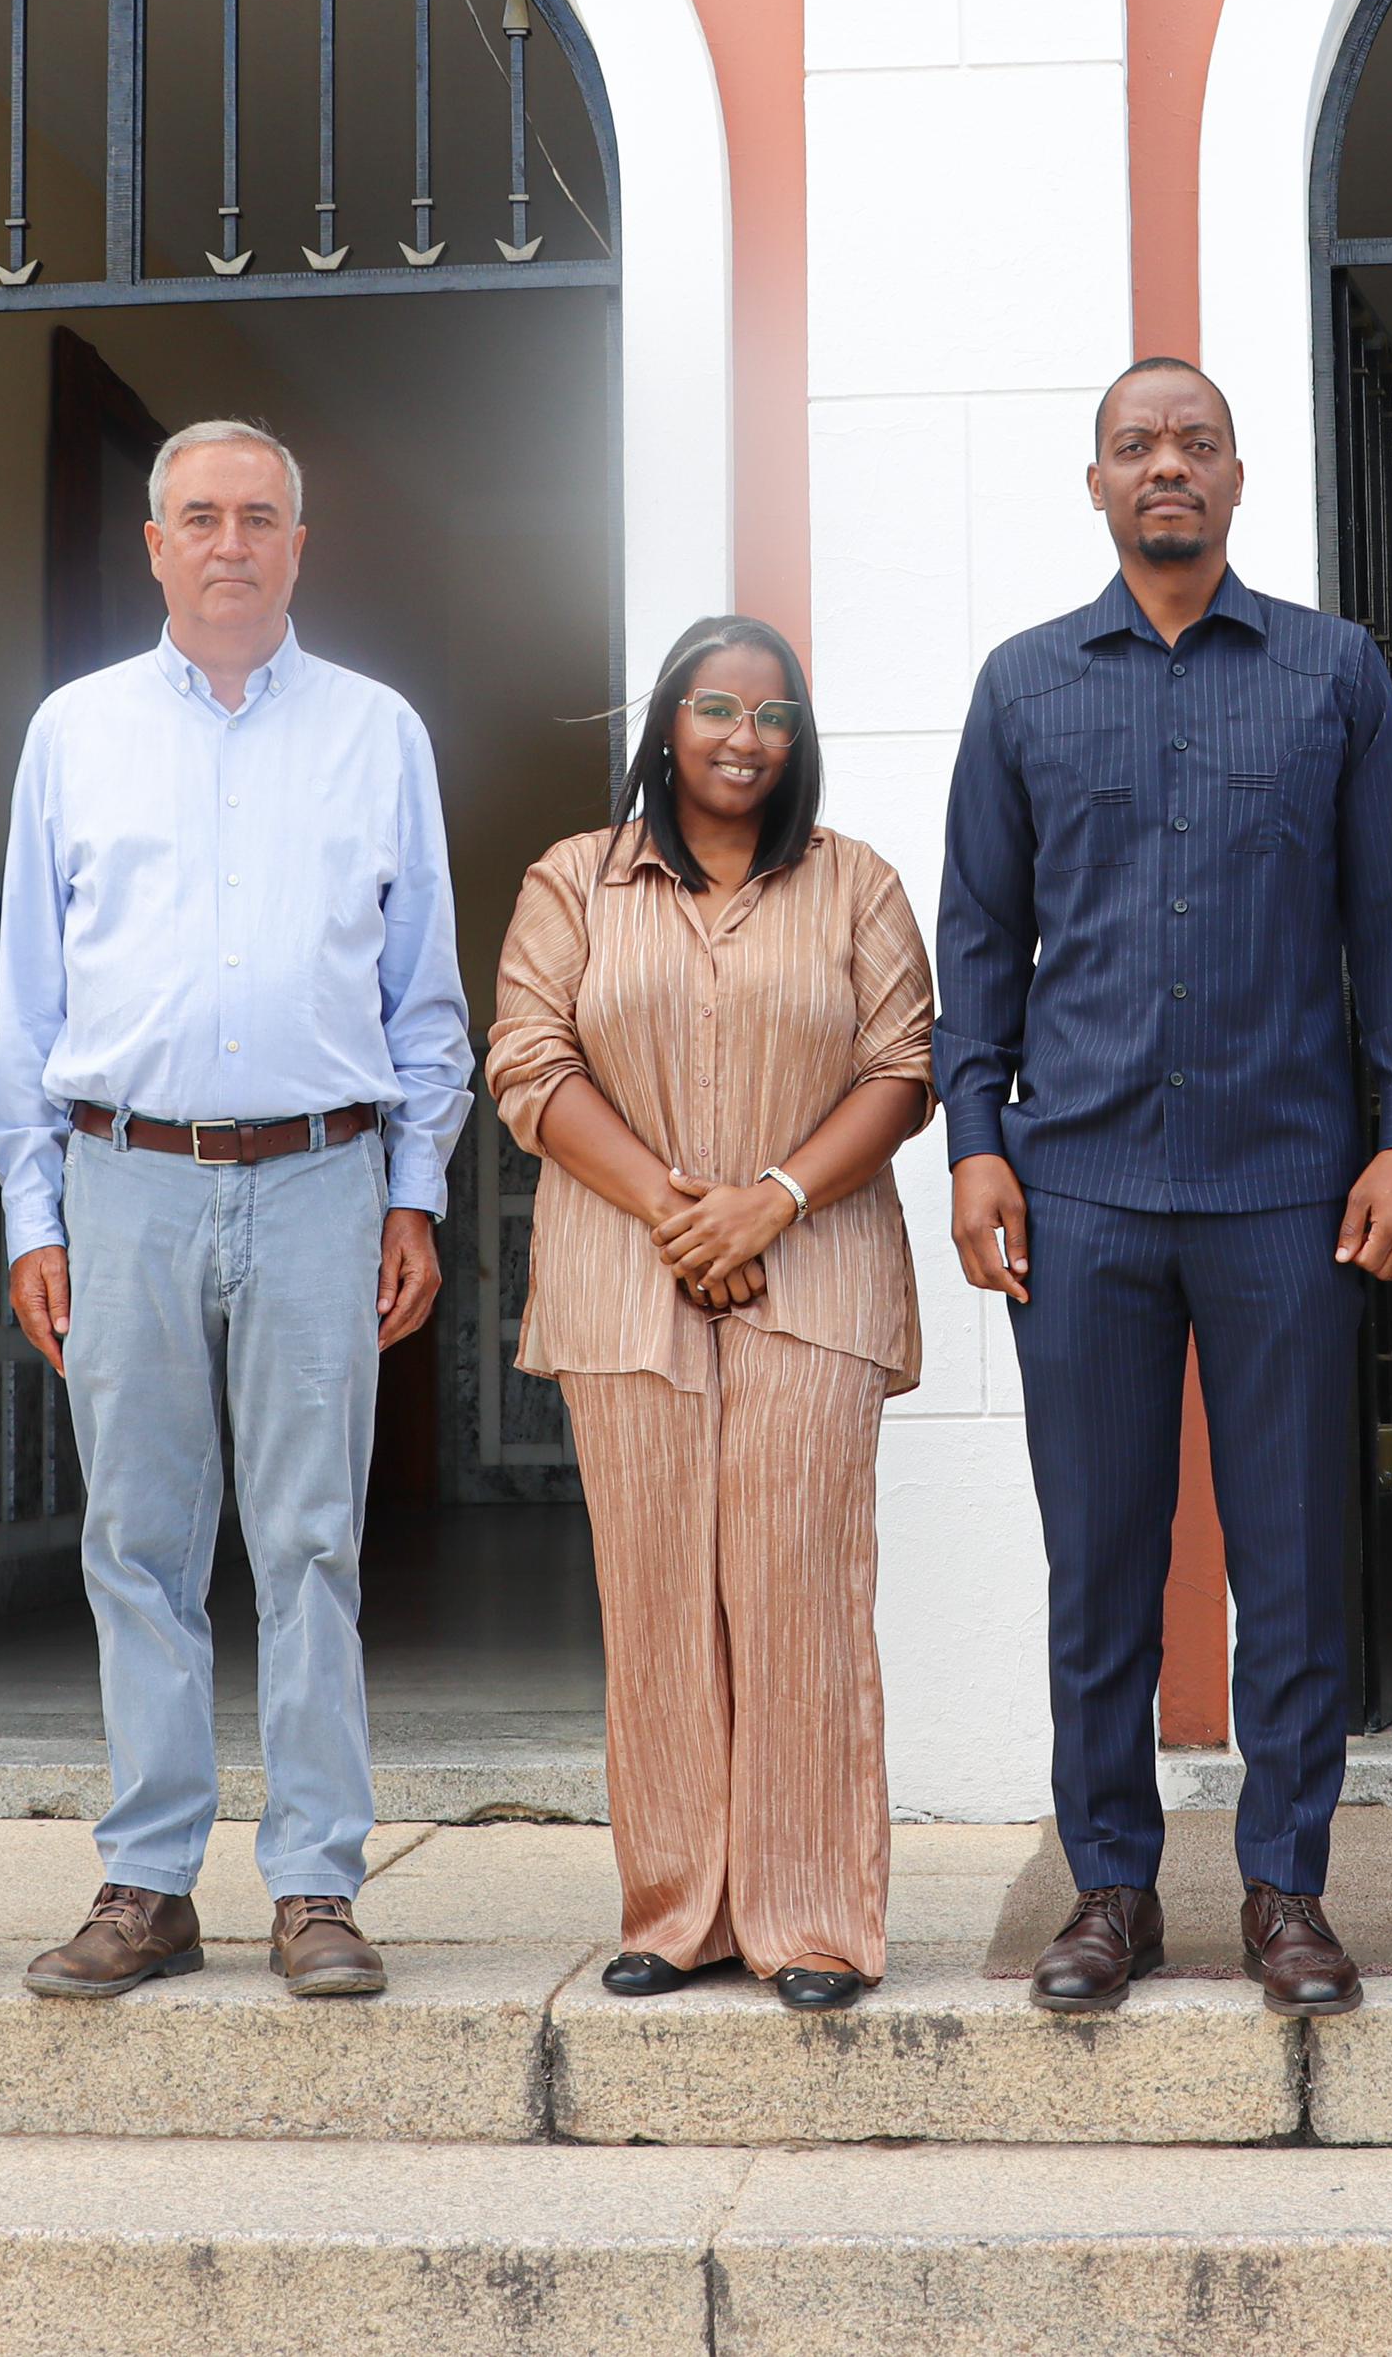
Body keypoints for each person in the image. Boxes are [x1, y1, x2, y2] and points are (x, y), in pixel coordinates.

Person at [938, 356, 1392, 2020]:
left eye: (1197, 444)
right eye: (1136, 445)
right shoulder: (1024, 687)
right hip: (1079, 1186)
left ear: (1240, 480)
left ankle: (1285, 1886)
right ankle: (1110, 1887)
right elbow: (979, 940)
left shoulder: (1333, 674)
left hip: (1286, 1188)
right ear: (1095, 482)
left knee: (1292, 1554)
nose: (1169, 466)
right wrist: (975, 1145)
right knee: (1101, 1554)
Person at [0, 418, 474, 2003]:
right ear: (153, 544)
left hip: (327, 1177)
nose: (230, 543)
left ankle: (319, 1883)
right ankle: (148, 1880)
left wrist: (415, 1194)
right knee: (135, 1540)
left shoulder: (378, 732)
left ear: (298, 544)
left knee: (312, 1541)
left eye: (260, 516)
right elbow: (27, 1001)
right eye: (199, 516)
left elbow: (426, 1003)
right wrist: (31, 1212)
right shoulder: (75, 733)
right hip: (123, 1177)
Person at [489, 617, 934, 2013]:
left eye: (775, 713)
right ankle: (679, 1910)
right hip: (628, 1282)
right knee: (661, 1595)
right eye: (716, 706)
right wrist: (683, 1210)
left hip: (816, 1278)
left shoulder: (854, 882)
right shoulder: (574, 879)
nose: (745, 736)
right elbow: (526, 1059)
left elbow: (906, 1065)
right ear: (667, 723)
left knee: (798, 1590)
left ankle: (810, 1922)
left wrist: (774, 1202)